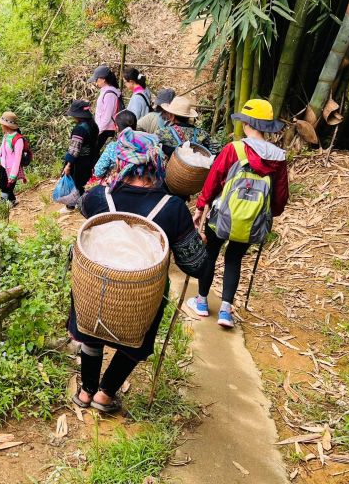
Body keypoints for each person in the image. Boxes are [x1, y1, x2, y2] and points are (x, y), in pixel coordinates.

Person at [69, 130, 208, 413]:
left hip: (96, 284)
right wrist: (198, 242)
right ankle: (105, 394)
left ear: (121, 162)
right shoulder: (173, 208)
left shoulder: (98, 198)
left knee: (91, 328)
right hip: (142, 291)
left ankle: (86, 391)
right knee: (136, 334)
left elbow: (83, 209)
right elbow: (195, 265)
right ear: (157, 163)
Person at [188, 99, 289, 328]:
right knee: (234, 259)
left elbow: (213, 181)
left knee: (211, 254)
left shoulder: (233, 149)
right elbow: (280, 195)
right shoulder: (279, 157)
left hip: (223, 214)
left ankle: (202, 302)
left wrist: (201, 205)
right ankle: (225, 311)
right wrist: (270, 214)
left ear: (246, 123)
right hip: (253, 221)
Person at [62, 100, 99, 211]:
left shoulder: (79, 129)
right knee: (79, 182)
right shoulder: (93, 125)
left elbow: (74, 149)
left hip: (79, 161)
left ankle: (71, 206)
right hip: (89, 159)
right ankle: (81, 201)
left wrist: (68, 165)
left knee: (73, 182)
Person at [93, 109, 137, 184]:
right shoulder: (143, 145)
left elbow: (98, 172)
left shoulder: (113, 147)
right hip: (138, 182)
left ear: (116, 127)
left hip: (116, 185)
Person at [0, 111, 27, 207]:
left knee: (7, 187)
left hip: (12, 168)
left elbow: (17, 159)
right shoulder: (6, 135)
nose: (1, 126)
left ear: (6, 126)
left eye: (2, 124)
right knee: (3, 185)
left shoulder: (18, 140)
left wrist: (13, 175)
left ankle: (2, 205)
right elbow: (2, 147)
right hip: (4, 165)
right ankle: (13, 201)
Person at [89, 65, 122, 154]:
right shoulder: (106, 91)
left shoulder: (110, 94)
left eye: (96, 79)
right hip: (102, 127)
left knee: (93, 151)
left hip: (105, 129)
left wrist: (98, 131)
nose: (95, 82)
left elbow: (107, 116)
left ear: (103, 79)